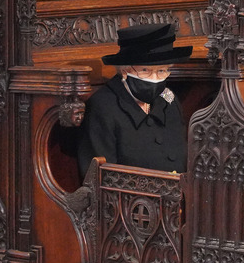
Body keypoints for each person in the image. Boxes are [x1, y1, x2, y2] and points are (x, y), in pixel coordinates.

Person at [77, 23, 192, 176]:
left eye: (162, 71)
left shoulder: (168, 98)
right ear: (125, 70)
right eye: (145, 70)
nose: (155, 79)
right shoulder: (103, 107)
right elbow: (100, 177)